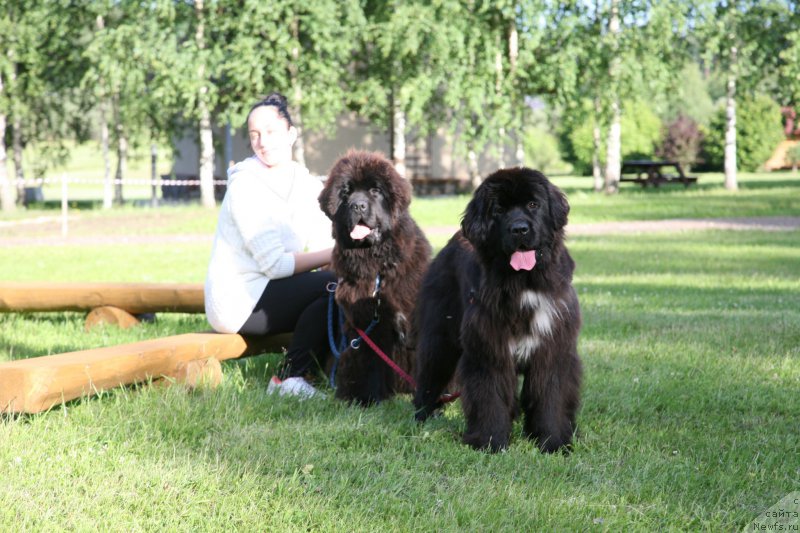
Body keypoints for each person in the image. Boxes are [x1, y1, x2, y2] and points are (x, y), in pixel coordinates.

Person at [204, 92, 334, 398]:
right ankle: (291, 379)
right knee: (331, 285)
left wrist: (334, 252)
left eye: (271, 132)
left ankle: (307, 375)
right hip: (238, 303)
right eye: (254, 135)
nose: (263, 142)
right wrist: (333, 255)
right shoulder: (245, 185)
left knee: (337, 286)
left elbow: (323, 236)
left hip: (271, 293)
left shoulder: (304, 182)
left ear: (291, 134)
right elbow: (276, 266)